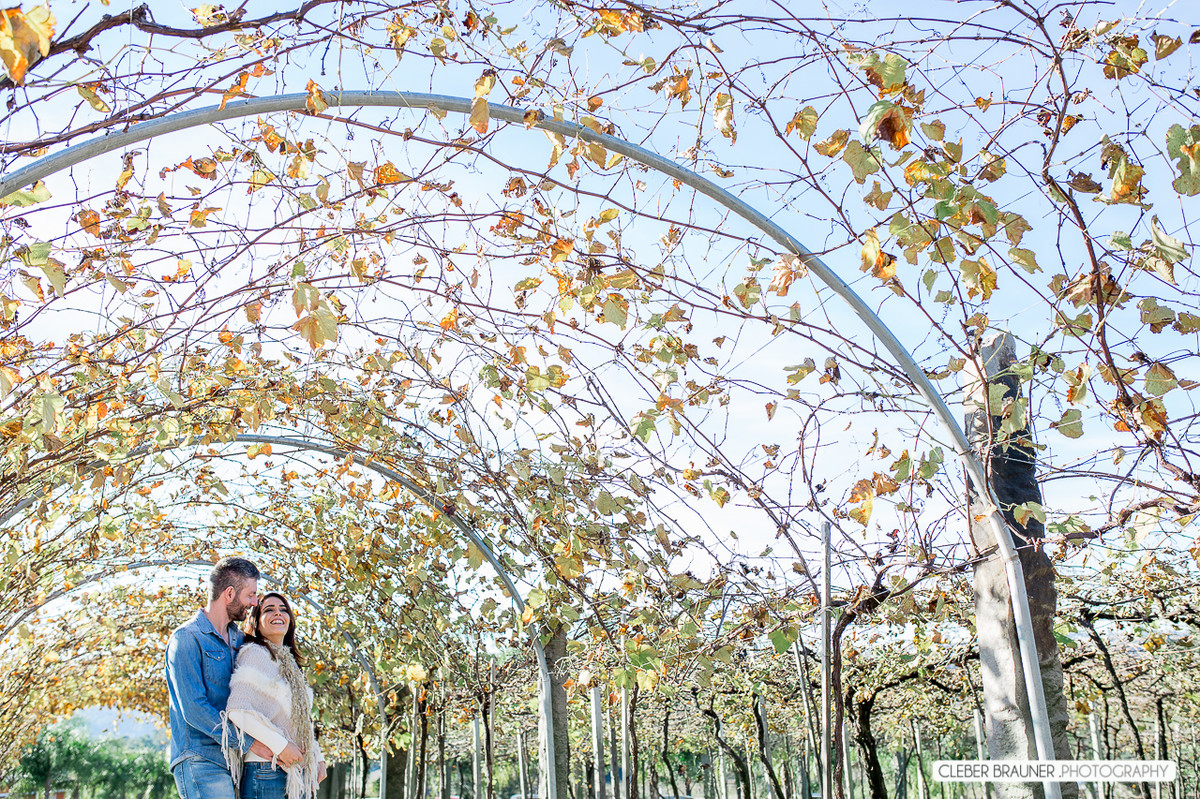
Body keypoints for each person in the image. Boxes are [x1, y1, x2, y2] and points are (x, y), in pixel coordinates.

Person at [167, 556, 278, 799]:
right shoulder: (187, 639)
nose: (253, 603)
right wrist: (249, 742)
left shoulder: (240, 641)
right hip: (200, 758)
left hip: (235, 761)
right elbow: (194, 709)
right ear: (229, 594)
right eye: (250, 595)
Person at [222, 591, 327, 799]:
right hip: (267, 770)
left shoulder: (289, 664)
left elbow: (300, 720)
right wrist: (281, 745)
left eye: (283, 610)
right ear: (256, 623)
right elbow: (237, 710)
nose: (277, 613)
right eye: (268, 610)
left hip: (296, 770)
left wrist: (318, 756)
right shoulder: (255, 654)